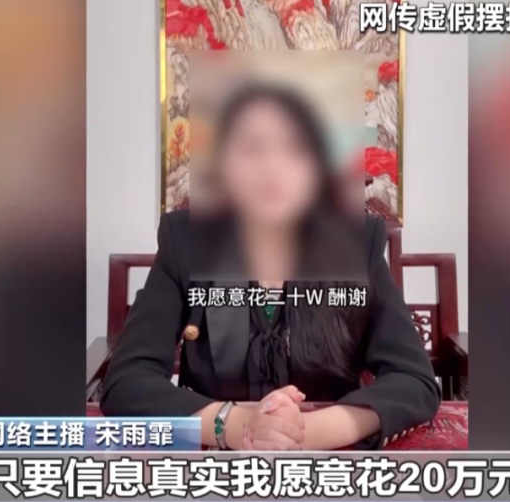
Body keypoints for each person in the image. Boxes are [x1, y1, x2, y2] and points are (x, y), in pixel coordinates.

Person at [100, 83, 440, 450]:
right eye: (252, 148)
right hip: (216, 455)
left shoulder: (356, 242)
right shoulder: (186, 240)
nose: (272, 167)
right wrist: (237, 425)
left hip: (327, 457)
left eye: (295, 148)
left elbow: (413, 379)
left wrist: (305, 432)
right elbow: (127, 381)